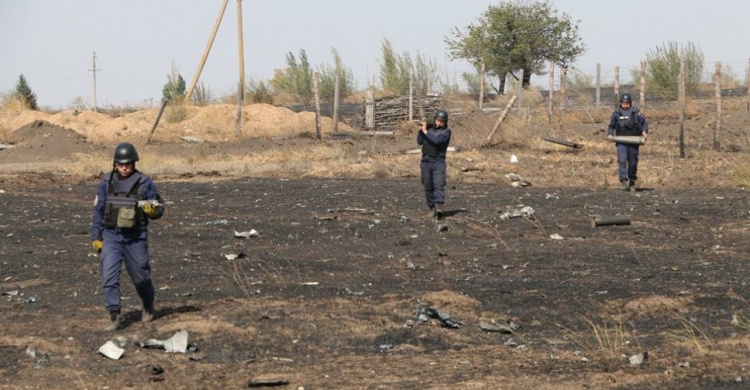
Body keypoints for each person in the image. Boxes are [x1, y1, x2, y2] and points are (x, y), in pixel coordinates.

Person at [91, 142, 164, 331]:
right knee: (109, 276)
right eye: (121, 164)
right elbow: (99, 211)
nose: (124, 167)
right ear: (116, 163)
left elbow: (159, 208)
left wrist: (153, 211)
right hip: (111, 236)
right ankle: (114, 315)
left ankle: (148, 304)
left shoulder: (144, 182)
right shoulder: (106, 182)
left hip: (135, 236)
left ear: (134, 163)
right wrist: (96, 237)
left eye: (128, 164)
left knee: (141, 277)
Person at [607, 93, 649, 191]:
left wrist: (644, 131)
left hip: (634, 142)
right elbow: (612, 126)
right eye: (623, 103)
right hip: (621, 141)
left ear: (630, 103)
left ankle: (632, 182)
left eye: (627, 103)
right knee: (622, 160)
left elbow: (644, 123)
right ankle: (623, 180)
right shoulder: (616, 113)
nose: (625, 105)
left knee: (633, 162)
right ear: (621, 103)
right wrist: (610, 134)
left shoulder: (636, 112)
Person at [417, 109, 452, 218]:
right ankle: (432, 207)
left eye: (442, 121)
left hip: (438, 161)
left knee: (438, 183)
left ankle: (439, 207)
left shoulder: (446, 132)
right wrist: (421, 130)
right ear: (435, 119)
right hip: (426, 160)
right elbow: (419, 141)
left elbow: (437, 141)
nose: (440, 123)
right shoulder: (429, 129)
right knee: (427, 184)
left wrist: (426, 132)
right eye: (438, 120)